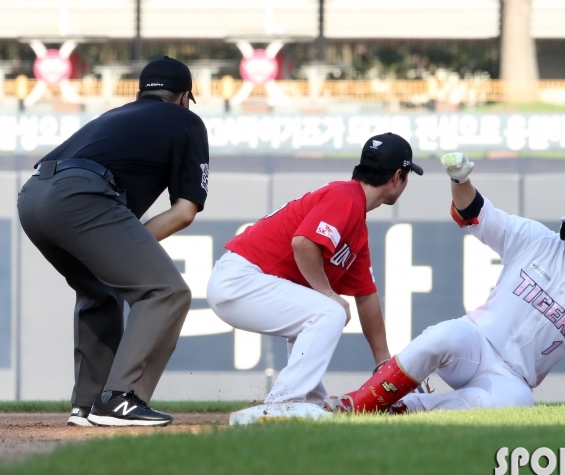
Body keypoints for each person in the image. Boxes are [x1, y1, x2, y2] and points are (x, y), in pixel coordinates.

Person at [323, 152, 565, 413]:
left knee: (515, 405)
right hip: (475, 344)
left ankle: (404, 408)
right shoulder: (536, 240)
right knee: (444, 334)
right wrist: (460, 180)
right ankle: (356, 403)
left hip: (513, 378)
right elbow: (478, 214)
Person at [17, 56, 209, 427]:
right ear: (184, 96)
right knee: (166, 292)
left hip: (33, 196)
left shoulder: (115, 115)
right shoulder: (186, 120)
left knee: (100, 289)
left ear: (141, 93)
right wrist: (134, 243)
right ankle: (121, 397)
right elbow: (184, 211)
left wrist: (121, 246)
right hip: (80, 196)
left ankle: (87, 404)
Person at [207, 133, 422, 411]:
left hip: (244, 281)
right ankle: (282, 403)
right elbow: (303, 243)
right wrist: (327, 293)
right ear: (397, 177)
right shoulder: (346, 196)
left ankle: (309, 400)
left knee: (318, 313)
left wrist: (384, 362)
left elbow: (366, 296)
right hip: (240, 279)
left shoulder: (355, 221)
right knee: (328, 310)